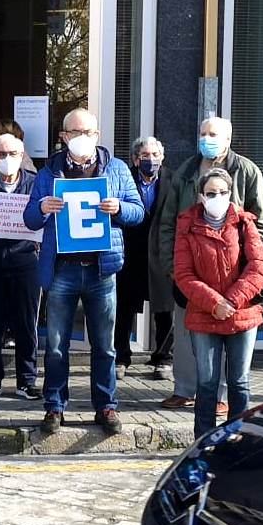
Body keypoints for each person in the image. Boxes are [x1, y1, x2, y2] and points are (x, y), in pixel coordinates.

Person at [23, 109, 144, 436]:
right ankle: (54, 406)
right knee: (56, 346)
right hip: (62, 269)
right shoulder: (48, 173)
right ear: (63, 137)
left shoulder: (116, 169)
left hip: (101, 270)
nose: (81, 138)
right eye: (75, 132)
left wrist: (119, 208)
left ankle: (106, 406)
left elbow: (138, 211)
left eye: (88, 132)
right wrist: (42, 208)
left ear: (97, 135)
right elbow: (29, 219)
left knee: (104, 346)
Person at [157, 117, 263, 412]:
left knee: (230, 339)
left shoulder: (246, 171)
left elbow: (260, 222)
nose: (207, 139)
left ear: (228, 139)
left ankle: (219, 396)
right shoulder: (186, 171)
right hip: (192, 272)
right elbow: (168, 221)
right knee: (187, 333)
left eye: (214, 134)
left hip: (234, 275)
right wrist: (172, 267)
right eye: (203, 133)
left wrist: (244, 260)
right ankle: (184, 389)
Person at [174, 168, 263, 437]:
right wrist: (214, 303)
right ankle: (204, 442)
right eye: (211, 193)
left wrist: (232, 300)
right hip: (204, 314)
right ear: (201, 197)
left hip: (242, 314)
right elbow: (183, 274)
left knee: (239, 382)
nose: (217, 197)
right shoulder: (187, 225)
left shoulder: (244, 223)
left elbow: (259, 266)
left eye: (222, 192)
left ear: (230, 194)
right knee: (206, 384)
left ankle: (237, 439)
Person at [0, 134, 41, 401]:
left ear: (22, 155)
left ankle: (27, 381)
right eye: (1, 154)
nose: (7, 159)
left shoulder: (35, 184)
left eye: (13, 154)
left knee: (26, 324)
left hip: (25, 262)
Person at [115, 137, 172, 380]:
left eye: (155, 155)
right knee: (124, 309)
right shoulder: (124, 179)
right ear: (136, 159)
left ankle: (163, 359)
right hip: (131, 252)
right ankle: (121, 358)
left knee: (165, 309)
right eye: (145, 155)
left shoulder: (173, 180)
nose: (151, 160)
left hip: (161, 253)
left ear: (162, 157)